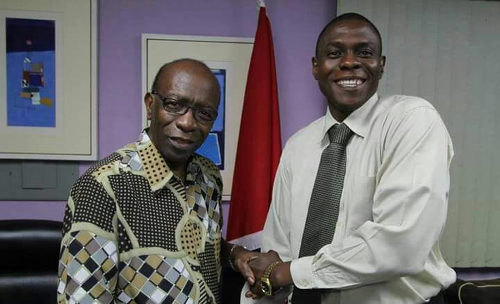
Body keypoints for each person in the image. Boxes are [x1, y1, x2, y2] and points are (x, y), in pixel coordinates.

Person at [237, 13, 456, 304]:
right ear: (316, 68)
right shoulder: (298, 145)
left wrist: (287, 272)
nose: (350, 62)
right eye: (334, 53)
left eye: (364, 52)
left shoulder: (412, 121)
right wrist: (272, 274)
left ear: (381, 65)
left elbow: (399, 245)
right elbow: (278, 249)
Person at [57, 58, 255, 304]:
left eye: (204, 114)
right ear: (150, 106)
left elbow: (201, 248)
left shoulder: (209, 177)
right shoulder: (102, 186)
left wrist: (235, 253)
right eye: (173, 105)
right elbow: (82, 299)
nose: (187, 122)